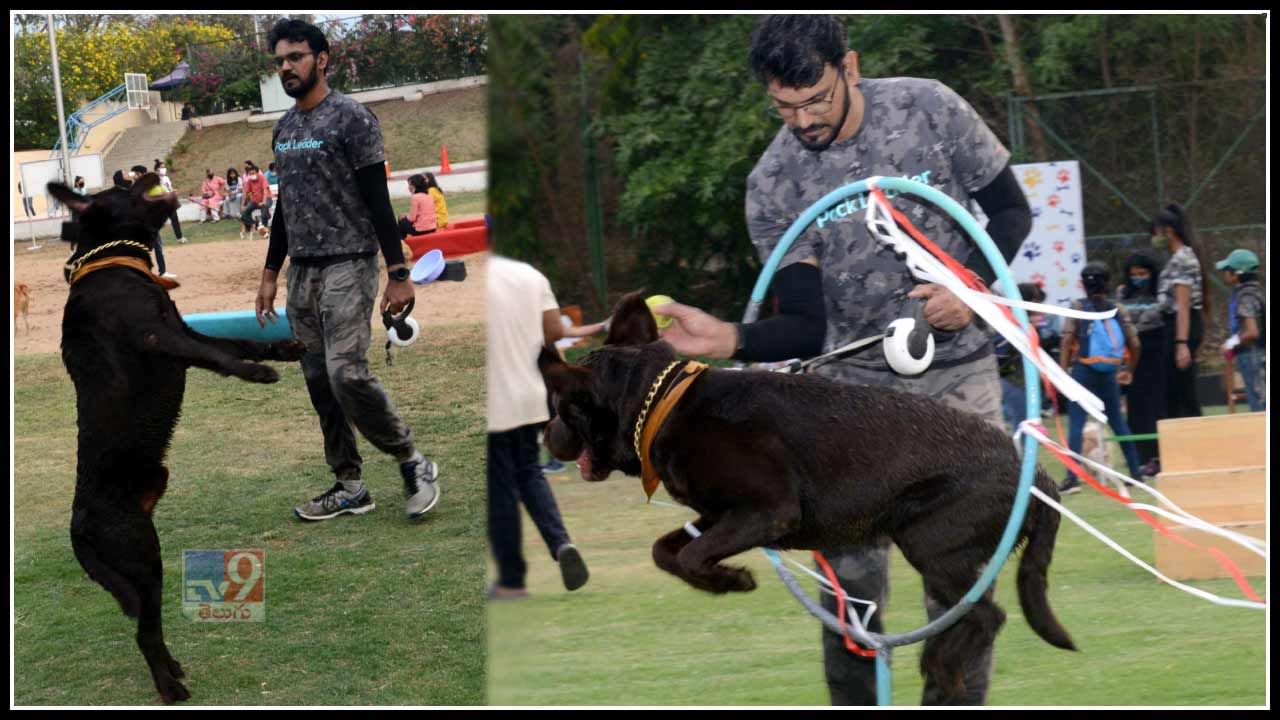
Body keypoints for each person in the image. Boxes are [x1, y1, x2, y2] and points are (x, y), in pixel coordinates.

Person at [652, 16, 1032, 706]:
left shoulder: (930, 106)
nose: (804, 121)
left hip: (959, 379)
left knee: (961, 580)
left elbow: (1010, 211)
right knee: (850, 587)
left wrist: (969, 287)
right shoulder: (773, 183)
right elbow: (805, 324)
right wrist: (729, 339)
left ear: (849, 67)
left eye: (817, 100)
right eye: (785, 107)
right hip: (847, 408)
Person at [255, 18, 440, 521]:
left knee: (346, 374)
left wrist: (397, 272)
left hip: (349, 265)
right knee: (318, 380)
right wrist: (272, 272)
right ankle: (349, 484)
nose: (286, 68)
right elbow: (285, 207)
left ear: (322, 58)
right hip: (303, 276)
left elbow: (379, 202)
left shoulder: (352, 118)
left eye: (295, 57)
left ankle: (412, 461)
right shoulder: (284, 127)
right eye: (279, 61)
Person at [487, 224, 590, 599]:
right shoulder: (530, 276)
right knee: (529, 473)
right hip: (529, 394)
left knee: (499, 486)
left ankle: (512, 581)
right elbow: (551, 332)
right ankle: (561, 543)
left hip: (493, 400)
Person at [1057, 262, 1143, 493]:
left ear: (1083, 285)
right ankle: (1136, 473)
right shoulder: (1117, 308)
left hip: (1083, 372)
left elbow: (1066, 341)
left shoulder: (1077, 307)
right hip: (1109, 374)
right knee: (1117, 422)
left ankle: (1072, 478)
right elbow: (1135, 343)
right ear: (1108, 283)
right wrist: (1129, 370)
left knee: (1076, 423)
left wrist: (1062, 373)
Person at [1152, 204, 1207, 419]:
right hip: (1173, 325)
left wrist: (1181, 344)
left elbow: (1182, 305)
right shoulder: (1175, 258)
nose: (1155, 237)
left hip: (1181, 326)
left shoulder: (1183, 258)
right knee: (1174, 389)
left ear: (1169, 231)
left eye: (1157, 231)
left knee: (1182, 390)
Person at [1115, 249, 1166, 475]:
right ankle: (1140, 457)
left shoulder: (1160, 292)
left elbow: (1158, 318)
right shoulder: (1122, 293)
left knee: (1156, 405)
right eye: (1134, 273)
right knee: (1135, 406)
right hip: (1132, 357)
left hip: (1155, 353)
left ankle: (1159, 454)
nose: (1138, 277)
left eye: (1143, 273)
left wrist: (1135, 327)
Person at [996, 283, 1060, 435]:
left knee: (1026, 426)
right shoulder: (1013, 324)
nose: (1039, 308)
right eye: (1036, 302)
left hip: (1023, 382)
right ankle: (1024, 458)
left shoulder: (1020, 322)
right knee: (1023, 427)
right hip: (1014, 381)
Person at [1217, 248, 1265, 412]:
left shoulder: (1246, 297)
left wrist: (1230, 344)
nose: (1224, 273)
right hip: (1255, 354)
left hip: (1252, 354)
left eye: (1227, 270)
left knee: (1258, 400)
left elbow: (1252, 331)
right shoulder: (1256, 292)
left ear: (1236, 274)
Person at [153, 159, 187, 245]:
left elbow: (169, 189)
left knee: (174, 219)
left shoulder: (166, 178)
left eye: (164, 167)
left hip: (170, 201)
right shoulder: (154, 179)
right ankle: (154, 239)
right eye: (162, 167)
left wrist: (174, 191)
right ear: (157, 169)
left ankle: (179, 238)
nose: (164, 169)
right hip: (161, 203)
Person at [398, 173, 437, 239]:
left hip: (421, 230)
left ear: (415, 185)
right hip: (433, 228)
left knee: (401, 219)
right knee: (405, 218)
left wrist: (405, 216)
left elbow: (412, 218)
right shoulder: (429, 196)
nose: (408, 187)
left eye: (410, 185)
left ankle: (401, 242)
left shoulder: (415, 197)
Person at [240, 161, 273, 239]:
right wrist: (242, 205)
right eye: (250, 174)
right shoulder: (249, 181)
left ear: (258, 173)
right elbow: (245, 193)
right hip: (255, 201)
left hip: (267, 199)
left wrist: (263, 201)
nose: (252, 175)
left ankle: (264, 229)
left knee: (264, 210)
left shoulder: (262, 178)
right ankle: (258, 225)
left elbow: (265, 190)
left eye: (253, 173)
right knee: (244, 214)